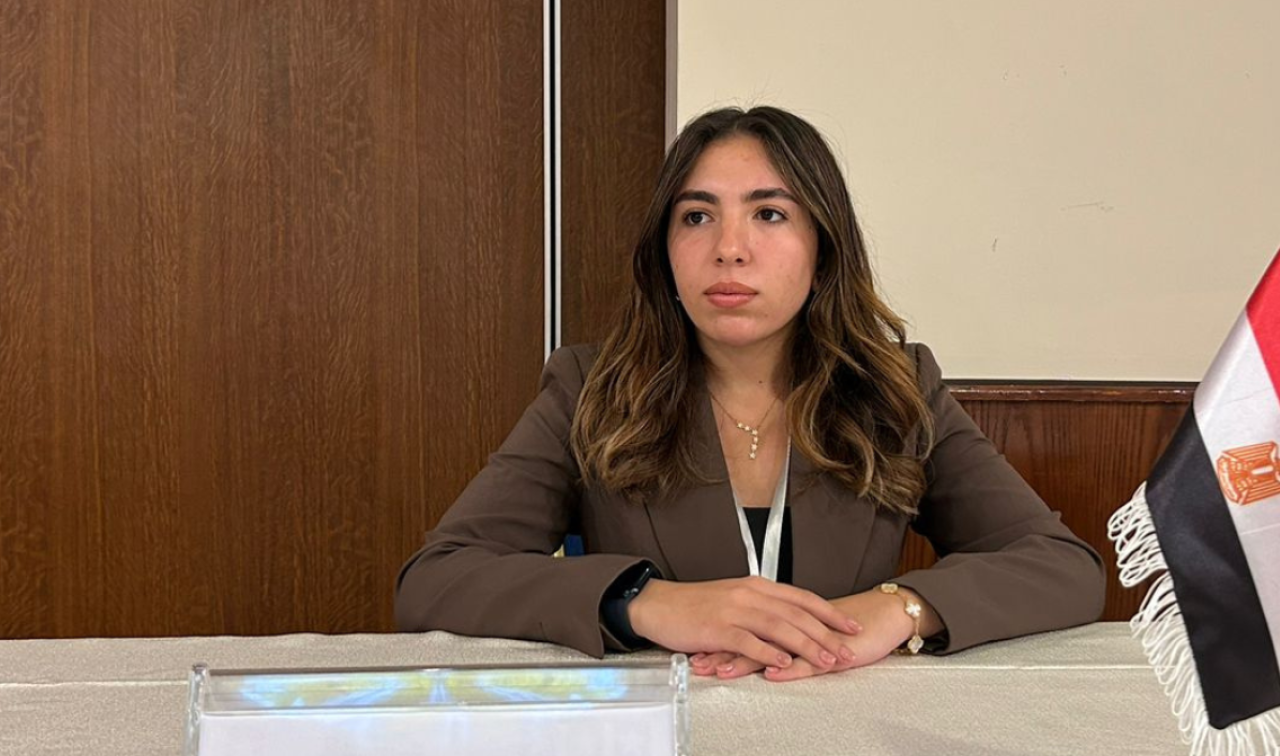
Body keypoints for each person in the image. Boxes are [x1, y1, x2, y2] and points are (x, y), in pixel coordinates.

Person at [395, 106, 1104, 682]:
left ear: (823, 248)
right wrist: (646, 604)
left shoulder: (898, 388)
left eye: (769, 214)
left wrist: (900, 608)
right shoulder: (589, 387)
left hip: (848, 744)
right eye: (697, 216)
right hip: (662, 751)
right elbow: (437, 579)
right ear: (664, 253)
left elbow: (1061, 566)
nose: (729, 248)